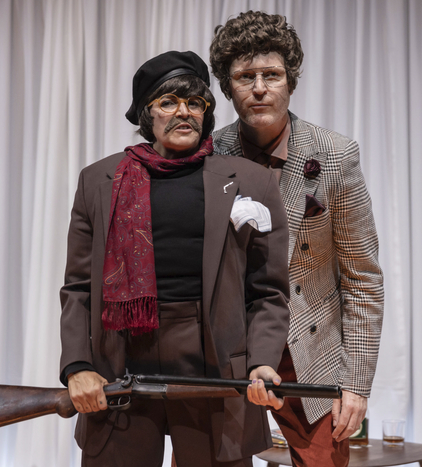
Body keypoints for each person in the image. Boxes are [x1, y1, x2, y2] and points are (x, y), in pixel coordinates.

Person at [59, 50, 291, 467]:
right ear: (147, 114)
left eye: (195, 102)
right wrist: (77, 366)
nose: (183, 112)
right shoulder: (98, 181)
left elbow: (268, 292)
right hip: (121, 361)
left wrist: (262, 362)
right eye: (168, 102)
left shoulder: (251, 181)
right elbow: (78, 288)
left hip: (214, 369)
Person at [209, 11, 384, 467]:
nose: (259, 88)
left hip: (308, 348)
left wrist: (356, 384)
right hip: (227, 350)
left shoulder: (335, 155)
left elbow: (363, 278)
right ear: (227, 87)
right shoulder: (209, 155)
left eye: (271, 75)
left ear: (290, 81)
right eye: (245, 77)